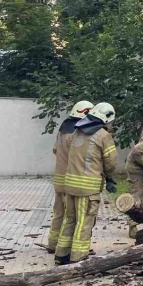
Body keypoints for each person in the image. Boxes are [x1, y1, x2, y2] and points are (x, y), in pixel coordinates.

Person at [54, 102, 118, 265]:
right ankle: (78, 257)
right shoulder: (103, 135)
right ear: (106, 118)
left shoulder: (76, 131)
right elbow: (111, 162)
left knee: (70, 220)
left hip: (70, 185)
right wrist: (109, 177)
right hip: (88, 189)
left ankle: (61, 255)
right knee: (84, 221)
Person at [46, 100, 94, 253]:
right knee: (70, 216)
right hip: (70, 179)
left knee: (58, 212)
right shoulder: (77, 131)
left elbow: (55, 150)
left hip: (58, 178)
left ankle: (53, 244)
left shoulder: (62, 129)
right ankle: (68, 248)